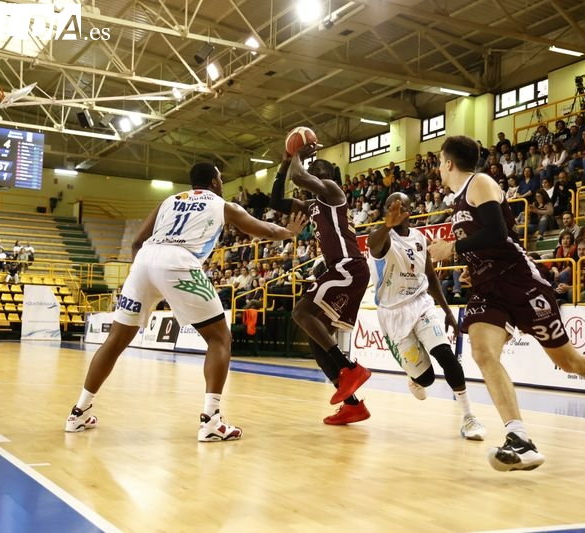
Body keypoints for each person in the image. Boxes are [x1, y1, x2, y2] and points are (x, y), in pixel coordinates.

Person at [427, 136, 585, 472]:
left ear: (449, 162)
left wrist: (453, 248)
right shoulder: (456, 201)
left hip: (520, 282)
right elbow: (483, 244)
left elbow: (498, 235)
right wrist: (472, 267)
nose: (438, 168)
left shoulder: (479, 182)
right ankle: (520, 439)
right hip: (488, 288)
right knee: (483, 353)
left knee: (568, 361)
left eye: (440, 161)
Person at [65, 163, 305, 441]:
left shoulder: (169, 201)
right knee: (220, 339)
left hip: (144, 260)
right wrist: (289, 232)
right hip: (179, 261)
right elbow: (265, 230)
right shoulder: (222, 204)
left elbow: (137, 240)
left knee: (116, 341)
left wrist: (140, 275)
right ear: (215, 182)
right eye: (221, 179)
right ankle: (211, 420)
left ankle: (78, 413)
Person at [367, 192, 486, 440]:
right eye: (390, 206)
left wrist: (447, 313)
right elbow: (373, 245)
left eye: (401, 206)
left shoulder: (420, 238)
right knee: (427, 378)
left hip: (421, 303)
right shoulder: (382, 238)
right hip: (393, 314)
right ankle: (416, 378)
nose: (395, 209)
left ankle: (469, 418)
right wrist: (386, 225)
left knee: (446, 355)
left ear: (410, 211)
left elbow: (430, 278)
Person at [269, 144, 373, 425]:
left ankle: (349, 368)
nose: (314, 169)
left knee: (300, 313)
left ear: (330, 176)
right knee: (316, 339)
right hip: (341, 269)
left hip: (348, 265)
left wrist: (298, 155)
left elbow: (300, 177)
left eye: (320, 167)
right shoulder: (312, 204)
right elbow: (276, 201)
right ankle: (353, 406)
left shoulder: (333, 192)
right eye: (313, 166)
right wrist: (285, 162)